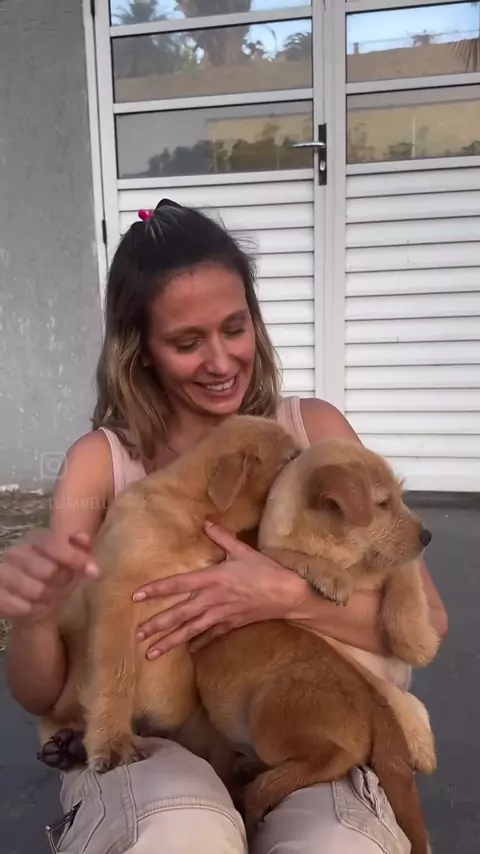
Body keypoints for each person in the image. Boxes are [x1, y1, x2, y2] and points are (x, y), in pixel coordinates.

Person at [0, 200, 448, 854]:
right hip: (152, 745)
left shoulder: (311, 432)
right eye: (187, 343)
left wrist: (288, 597)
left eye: (235, 328)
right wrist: (34, 618)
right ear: (140, 351)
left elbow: (427, 622)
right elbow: (38, 691)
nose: (220, 361)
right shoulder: (102, 464)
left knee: (335, 845)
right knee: (182, 832)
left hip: (298, 724)